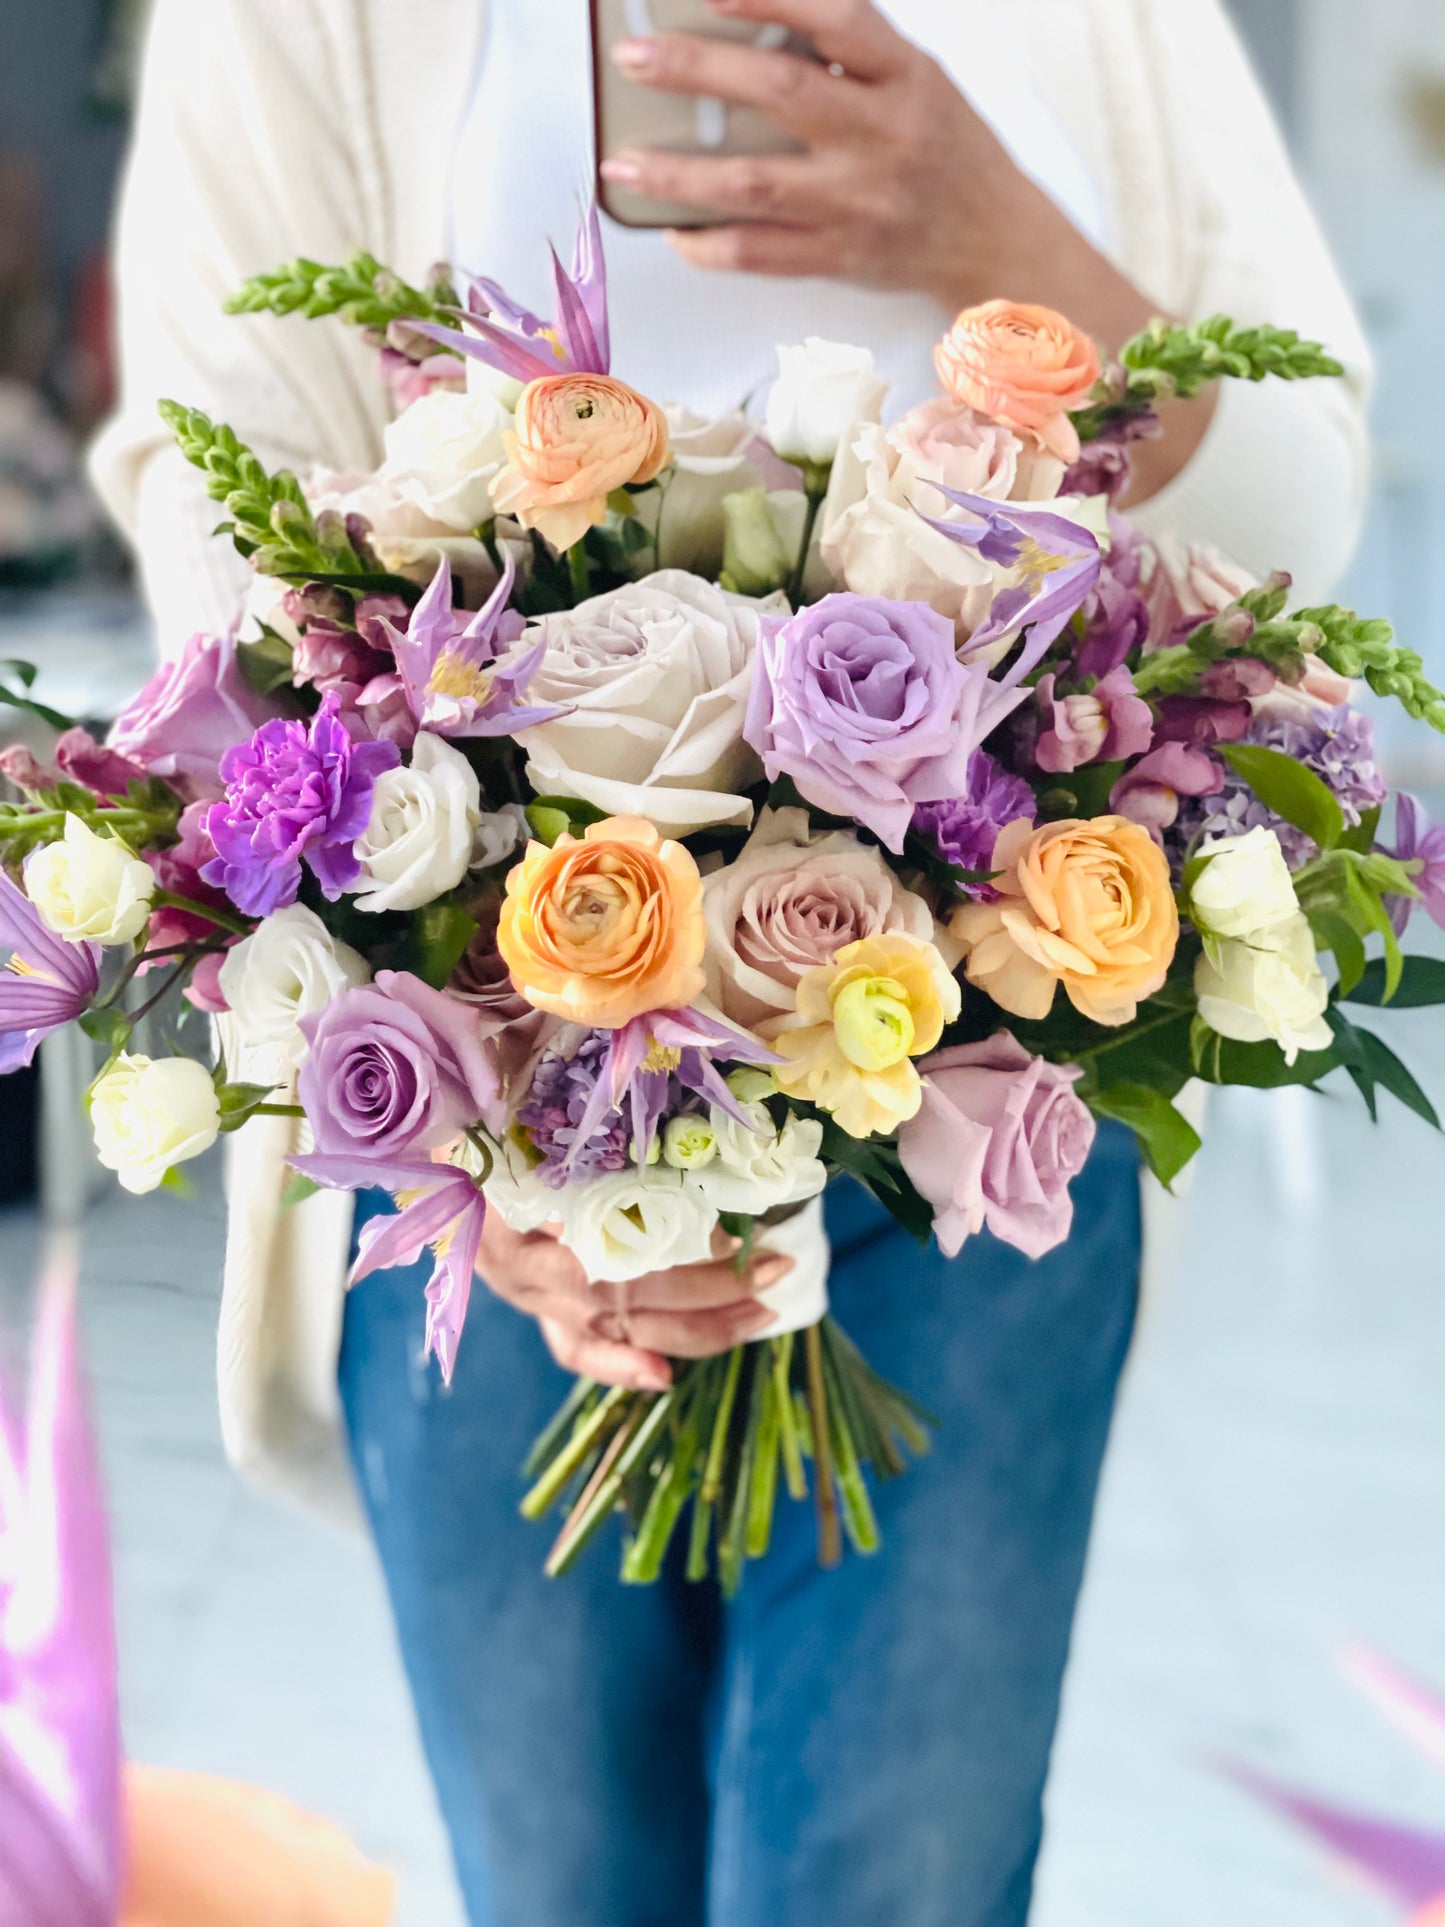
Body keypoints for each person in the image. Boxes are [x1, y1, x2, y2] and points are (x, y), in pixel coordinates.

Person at [91, 4, 1370, 1923]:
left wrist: (1004, 248)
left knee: (899, 1884)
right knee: (564, 1883)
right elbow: (226, 530)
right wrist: (484, 1136)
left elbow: (1297, 505)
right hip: (486, 1124)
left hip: (990, 1120)